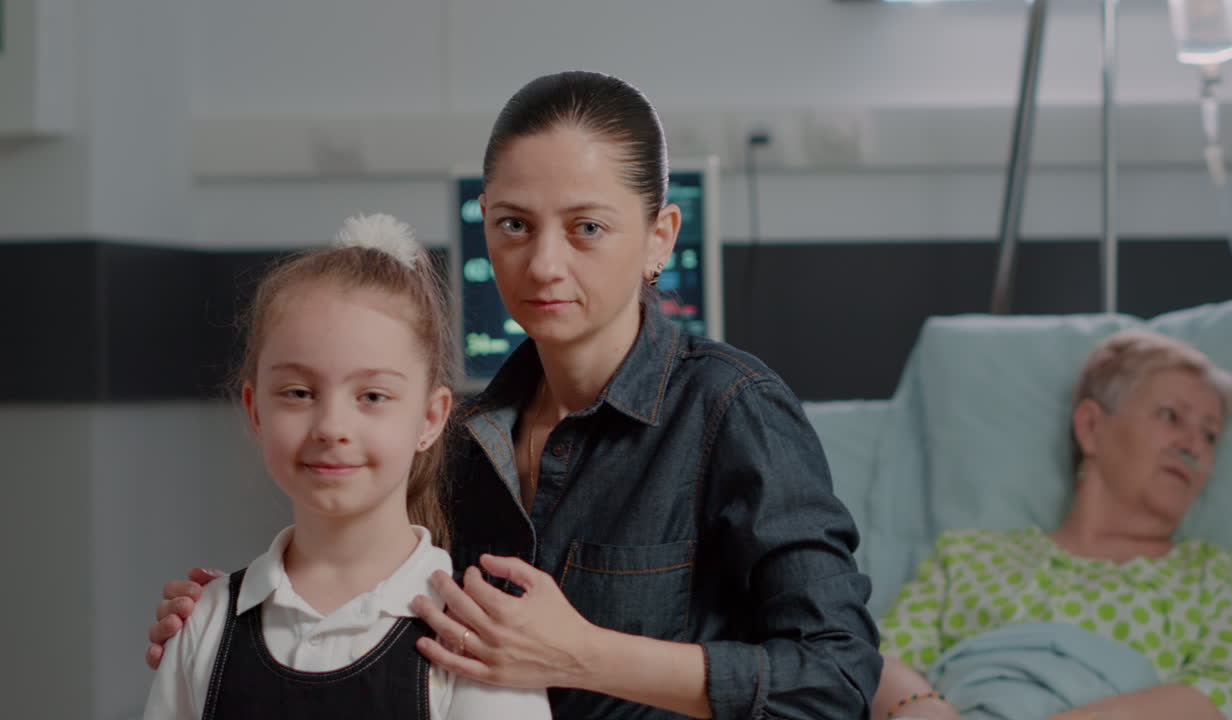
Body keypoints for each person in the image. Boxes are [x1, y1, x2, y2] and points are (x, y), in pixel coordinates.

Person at [146, 71, 883, 719]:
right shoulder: (464, 440)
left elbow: (837, 677)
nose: (542, 264)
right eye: (513, 226)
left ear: (660, 238)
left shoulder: (730, 407)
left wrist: (583, 655)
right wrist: (242, 627)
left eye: (586, 227)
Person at [142, 214, 552, 719]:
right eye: (298, 393)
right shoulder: (203, 623)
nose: (331, 426)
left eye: (373, 395)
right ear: (254, 411)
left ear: (430, 418)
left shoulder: (475, 635)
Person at [872, 329, 1232, 720]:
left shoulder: (1211, 575)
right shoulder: (968, 557)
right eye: (1171, 416)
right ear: (1091, 426)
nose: (1193, 445)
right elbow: (883, 658)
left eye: (1210, 436)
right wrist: (922, 708)